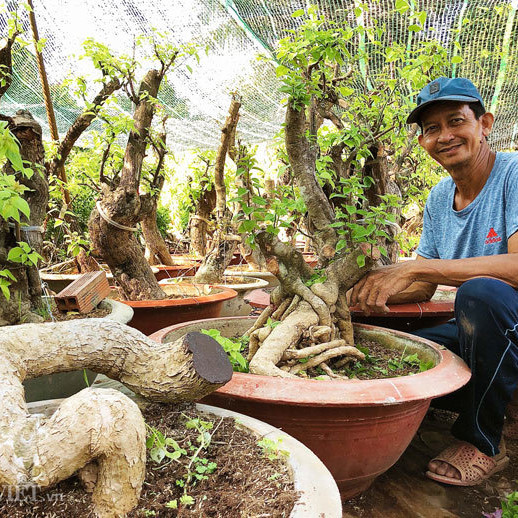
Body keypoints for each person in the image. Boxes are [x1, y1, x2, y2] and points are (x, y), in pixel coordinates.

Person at [350, 76, 518, 486]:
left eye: (455, 121)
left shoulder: (514, 174)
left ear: (485, 123)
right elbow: (422, 288)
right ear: (423, 141)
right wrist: (363, 290)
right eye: (431, 129)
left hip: (504, 318)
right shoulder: (441, 196)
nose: (444, 136)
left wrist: (412, 268)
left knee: (481, 293)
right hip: (486, 327)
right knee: (402, 349)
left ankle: (484, 442)